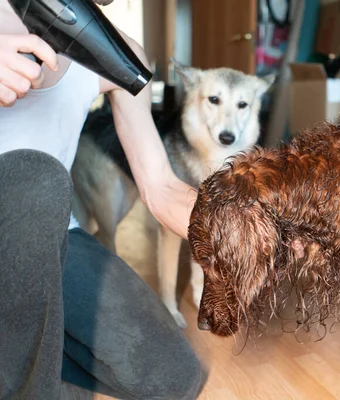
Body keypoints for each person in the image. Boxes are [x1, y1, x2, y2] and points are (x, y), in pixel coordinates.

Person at [0, 1, 206, 399]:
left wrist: (247, 228)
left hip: (53, 235)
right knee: (38, 180)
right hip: (21, 204)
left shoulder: (119, 55)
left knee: (174, 377)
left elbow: (161, 187)